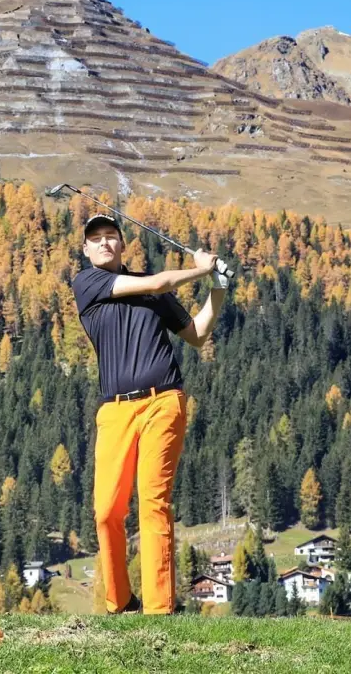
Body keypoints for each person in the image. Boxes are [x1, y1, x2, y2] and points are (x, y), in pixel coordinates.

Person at [72, 214, 228, 614]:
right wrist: (201, 267)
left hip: (163, 403)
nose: (104, 243)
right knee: (106, 510)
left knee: (153, 504)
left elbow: (196, 334)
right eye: (96, 239)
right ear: (86, 250)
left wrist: (217, 287)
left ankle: (159, 611)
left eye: (112, 237)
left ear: (123, 246)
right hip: (115, 411)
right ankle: (120, 602)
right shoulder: (87, 284)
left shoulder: (153, 291)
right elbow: (158, 282)